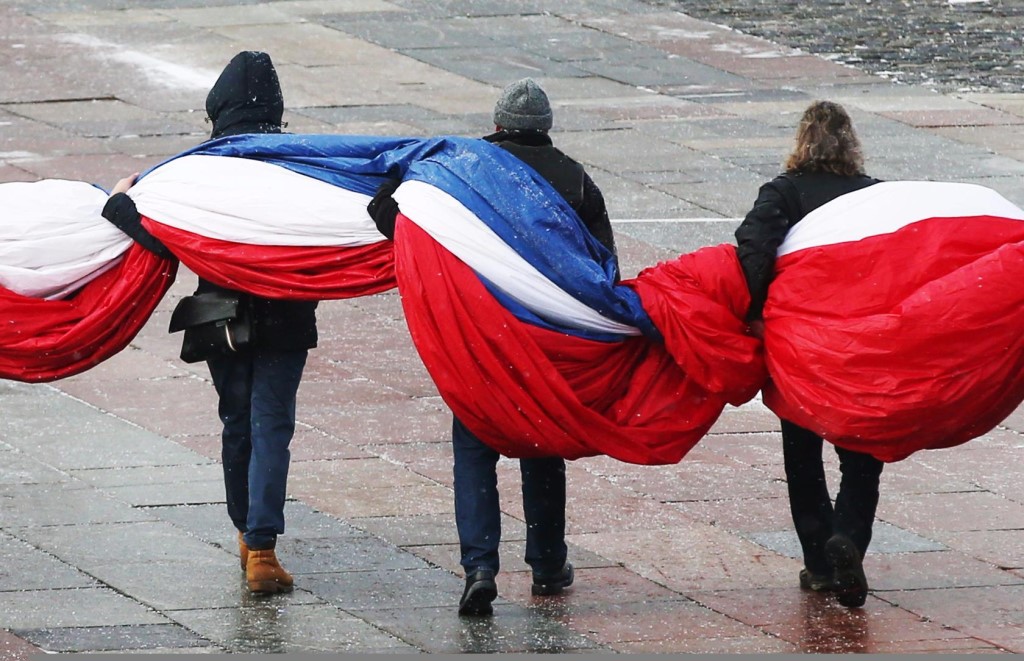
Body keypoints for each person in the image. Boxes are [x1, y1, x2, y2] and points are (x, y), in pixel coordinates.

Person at [367, 78, 618, 616]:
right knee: (543, 448)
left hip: (478, 342)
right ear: (545, 128)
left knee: (474, 451)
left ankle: (479, 567)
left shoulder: (462, 166)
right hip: (545, 344)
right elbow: (602, 269)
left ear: (499, 124)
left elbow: (385, 211)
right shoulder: (575, 179)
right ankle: (548, 564)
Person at [102, 51, 317, 595]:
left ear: (217, 111)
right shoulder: (304, 165)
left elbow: (160, 236)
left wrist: (121, 206)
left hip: (222, 320)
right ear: (277, 110)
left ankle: (247, 534)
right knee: (273, 426)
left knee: (237, 423)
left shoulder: (196, 171)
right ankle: (262, 549)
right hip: (286, 319)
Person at [734, 100, 884, 609]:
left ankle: (820, 563)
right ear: (850, 143)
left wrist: (755, 309)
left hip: (797, 342)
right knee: (862, 452)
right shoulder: (874, 197)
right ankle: (849, 535)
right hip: (858, 342)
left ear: (801, 141)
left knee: (802, 453)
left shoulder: (783, 192)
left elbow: (753, 248)